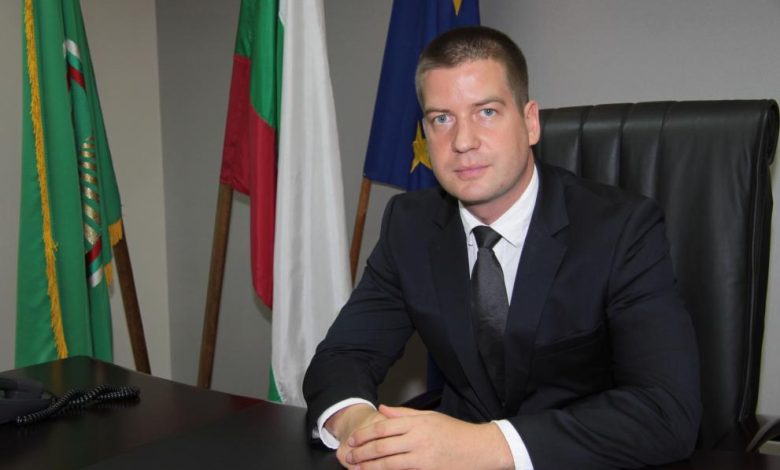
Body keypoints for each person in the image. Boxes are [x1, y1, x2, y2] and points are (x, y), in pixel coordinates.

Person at [303, 26, 701, 470]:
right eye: (442, 119)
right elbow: (342, 356)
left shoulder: (622, 229)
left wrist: (481, 446)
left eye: (487, 112)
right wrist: (365, 428)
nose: (463, 141)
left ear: (530, 122)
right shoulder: (410, 225)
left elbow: (666, 411)